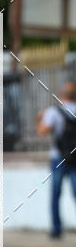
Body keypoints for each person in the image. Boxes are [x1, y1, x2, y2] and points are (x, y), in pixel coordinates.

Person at [36, 80, 76, 238]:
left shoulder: (54, 111)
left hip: (58, 157)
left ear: (61, 94)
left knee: (55, 195)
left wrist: (38, 119)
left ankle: (57, 230)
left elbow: (42, 132)